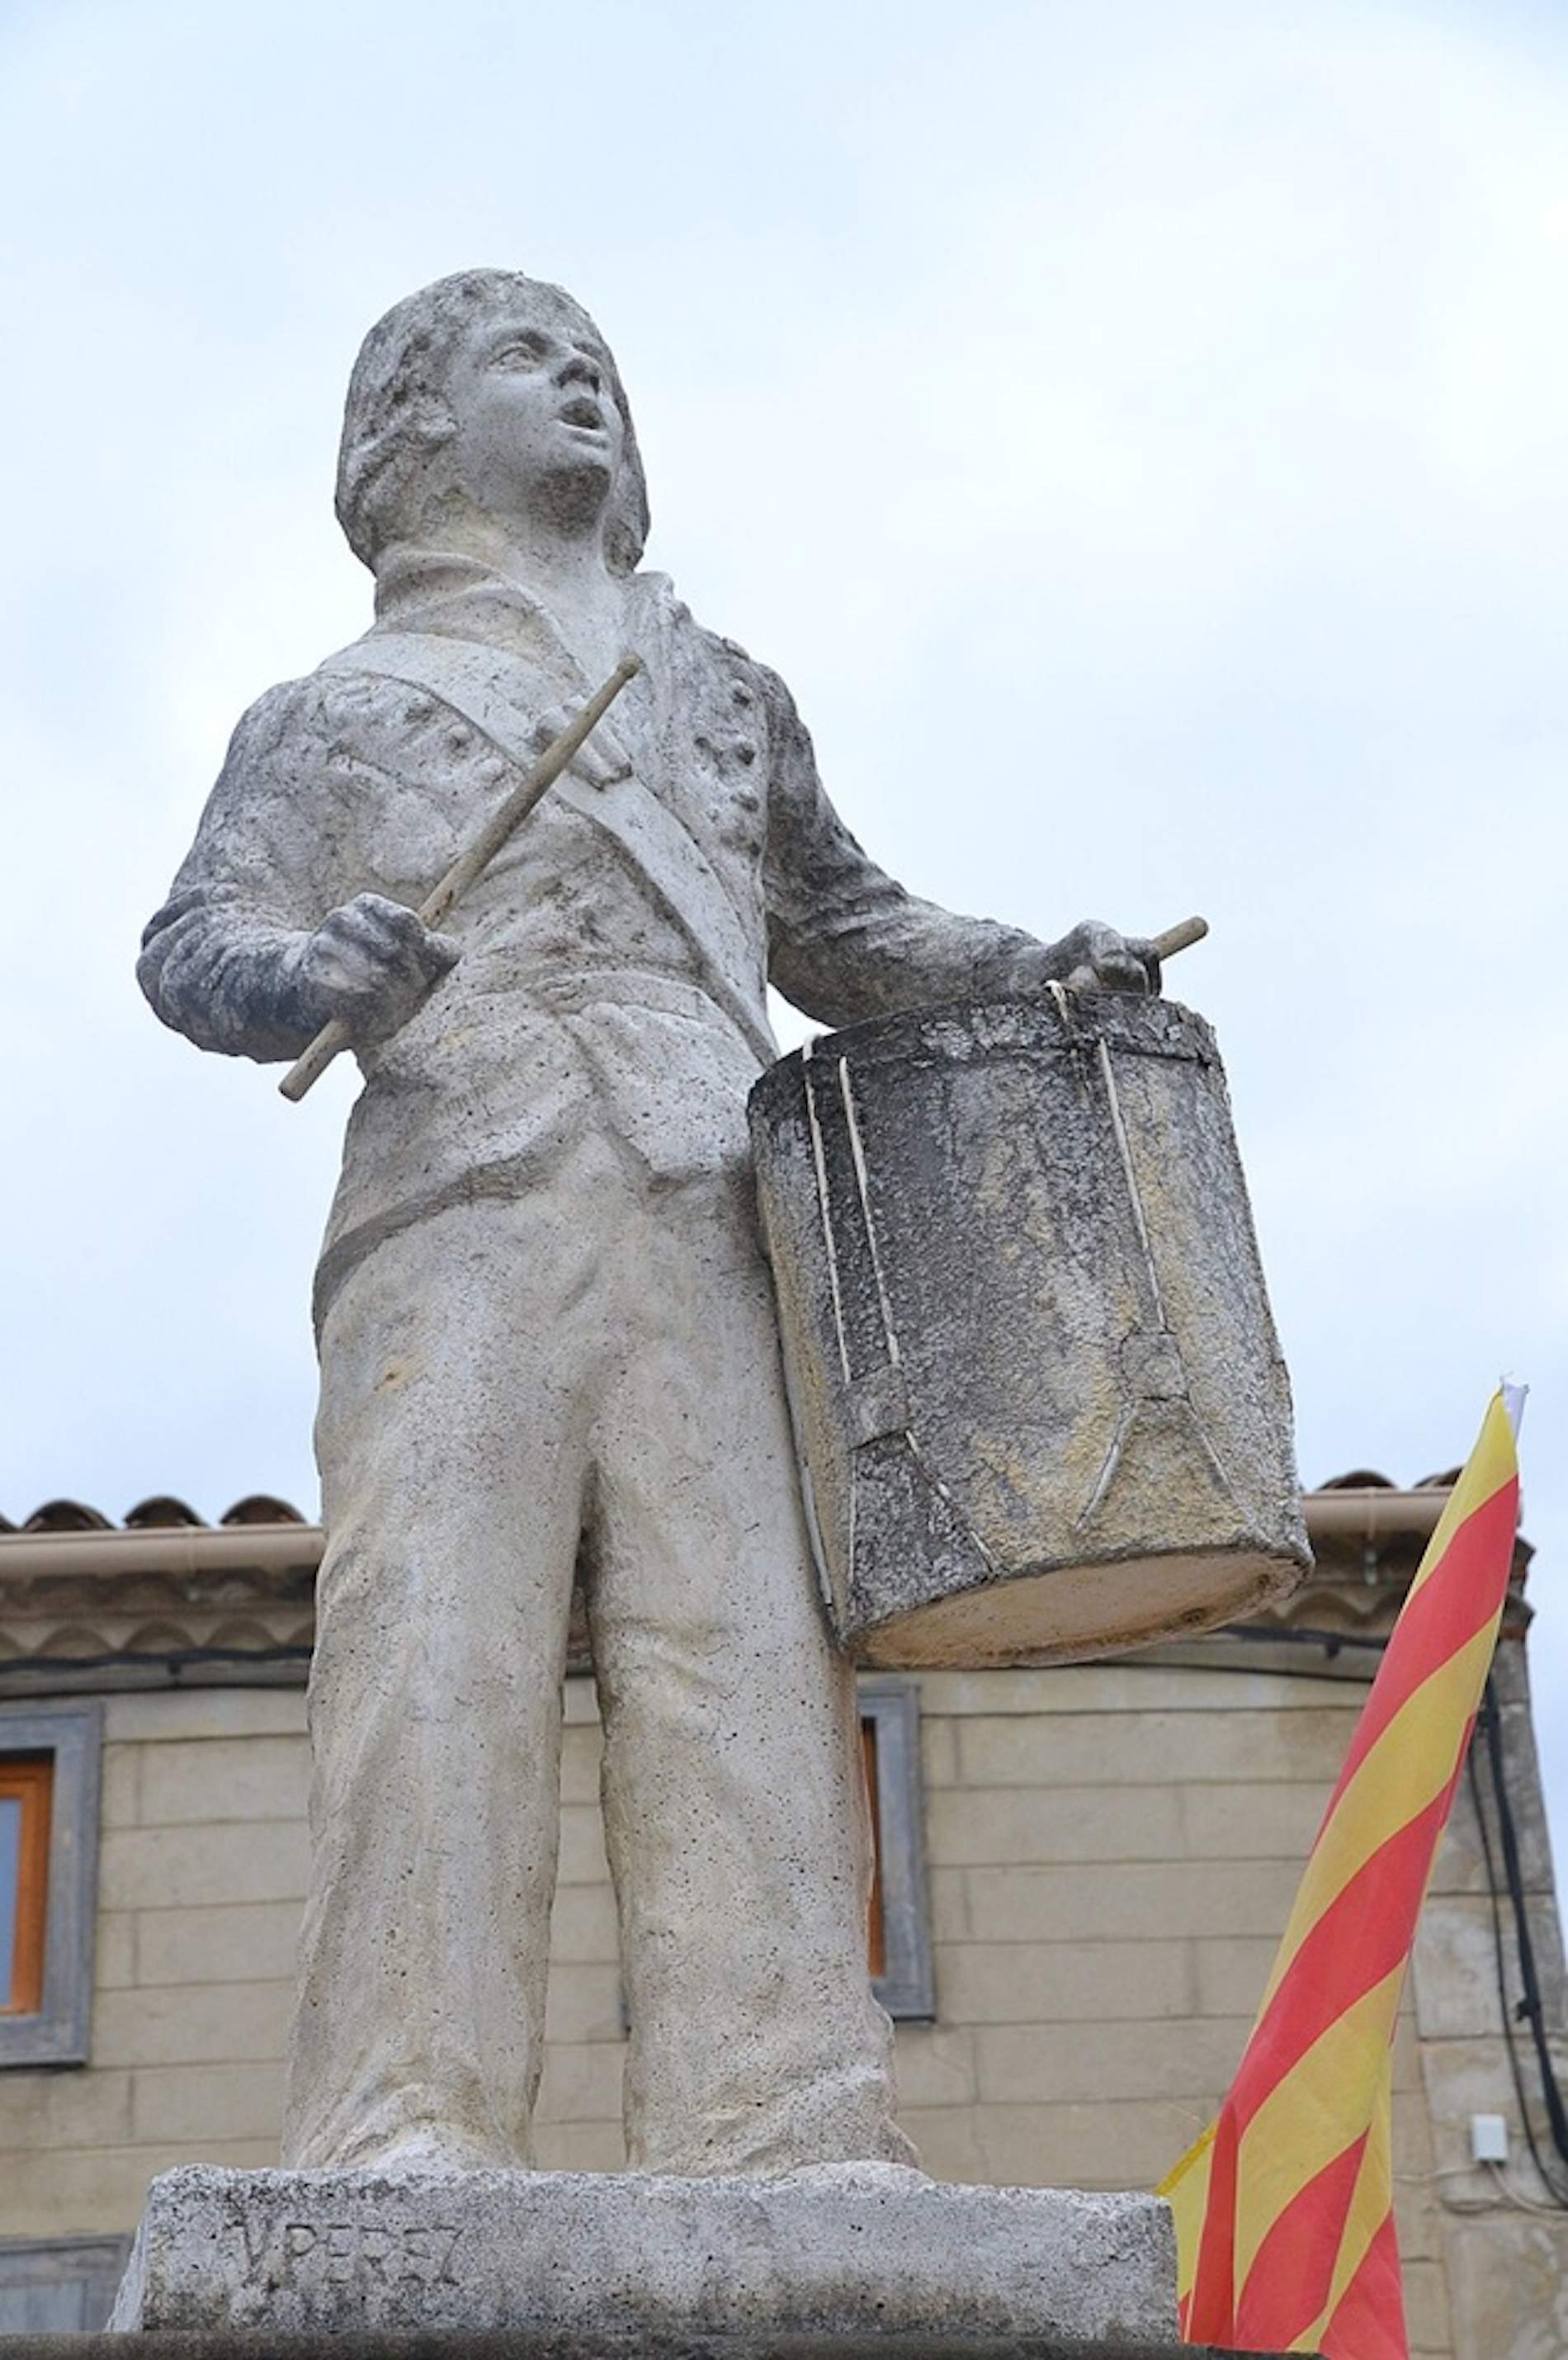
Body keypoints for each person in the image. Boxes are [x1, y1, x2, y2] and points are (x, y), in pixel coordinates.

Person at [139, 268, 1159, 2178]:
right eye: (530, 358)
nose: (586, 383)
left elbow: (849, 929)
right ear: (410, 433)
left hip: (713, 1193)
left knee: (749, 1653)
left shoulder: (721, 692)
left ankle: (779, 2112)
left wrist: (1030, 966)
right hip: (459, 1190)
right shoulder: (332, 711)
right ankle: (398, 2113)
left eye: (601, 361)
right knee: (434, 1647)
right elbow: (195, 943)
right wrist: (306, 976)